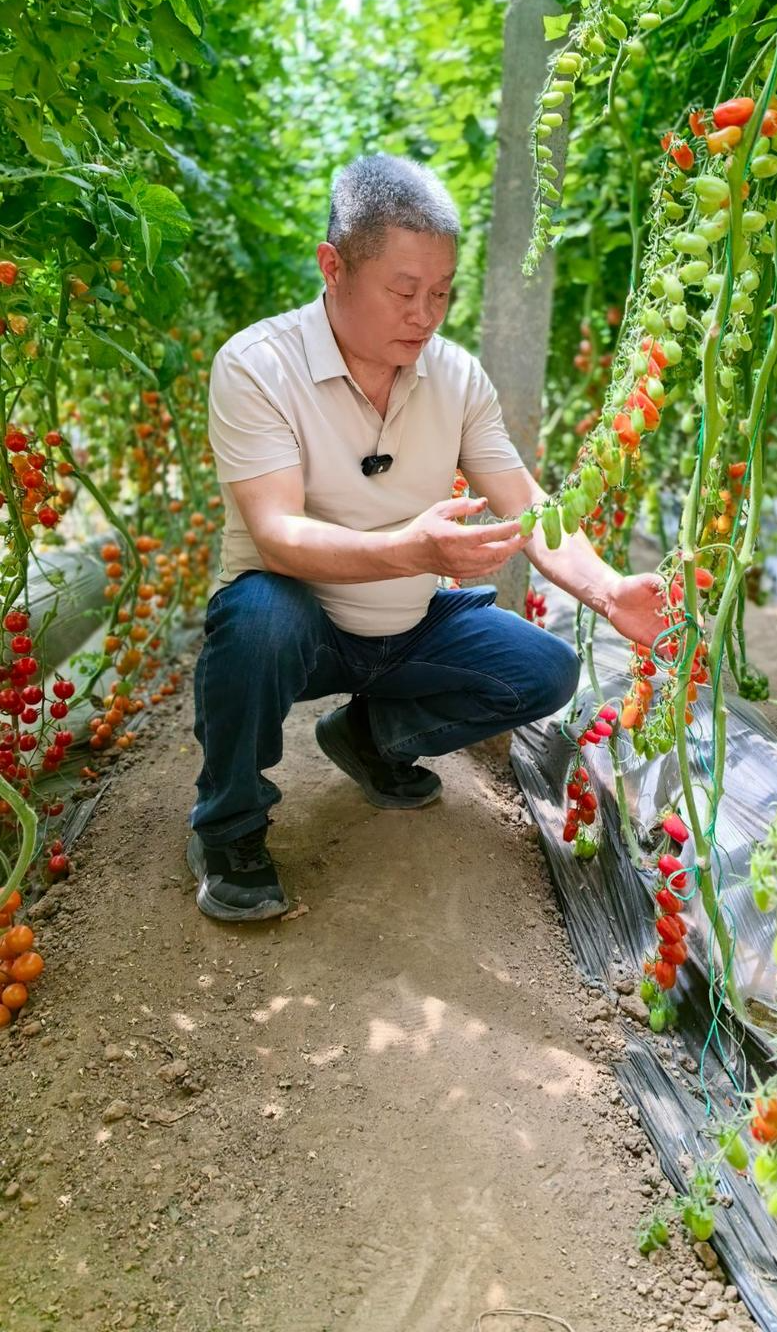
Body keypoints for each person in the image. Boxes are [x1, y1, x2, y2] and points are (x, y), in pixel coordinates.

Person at [187, 153, 667, 923]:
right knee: (258, 621)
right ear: (334, 267)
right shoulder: (258, 366)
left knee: (545, 670)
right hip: (302, 627)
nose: (425, 314)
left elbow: (527, 505)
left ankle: (372, 738)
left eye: (440, 293)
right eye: (404, 291)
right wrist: (411, 551)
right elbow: (275, 536)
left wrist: (609, 591)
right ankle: (229, 828)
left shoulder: (456, 377)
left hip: (406, 628)